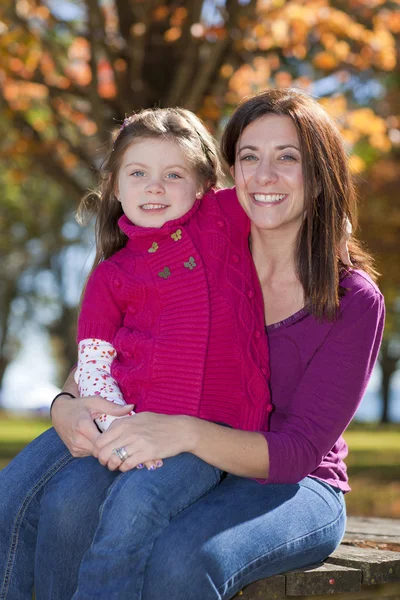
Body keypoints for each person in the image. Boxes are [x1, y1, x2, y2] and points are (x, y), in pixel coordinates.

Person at [0, 89, 384, 600]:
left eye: (287, 158)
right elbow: (122, 346)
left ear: (320, 176)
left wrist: (183, 432)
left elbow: (296, 453)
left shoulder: (352, 300)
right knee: (63, 502)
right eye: (249, 157)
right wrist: (66, 404)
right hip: (173, 440)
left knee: (180, 560)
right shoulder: (205, 245)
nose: (264, 175)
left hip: (293, 481)